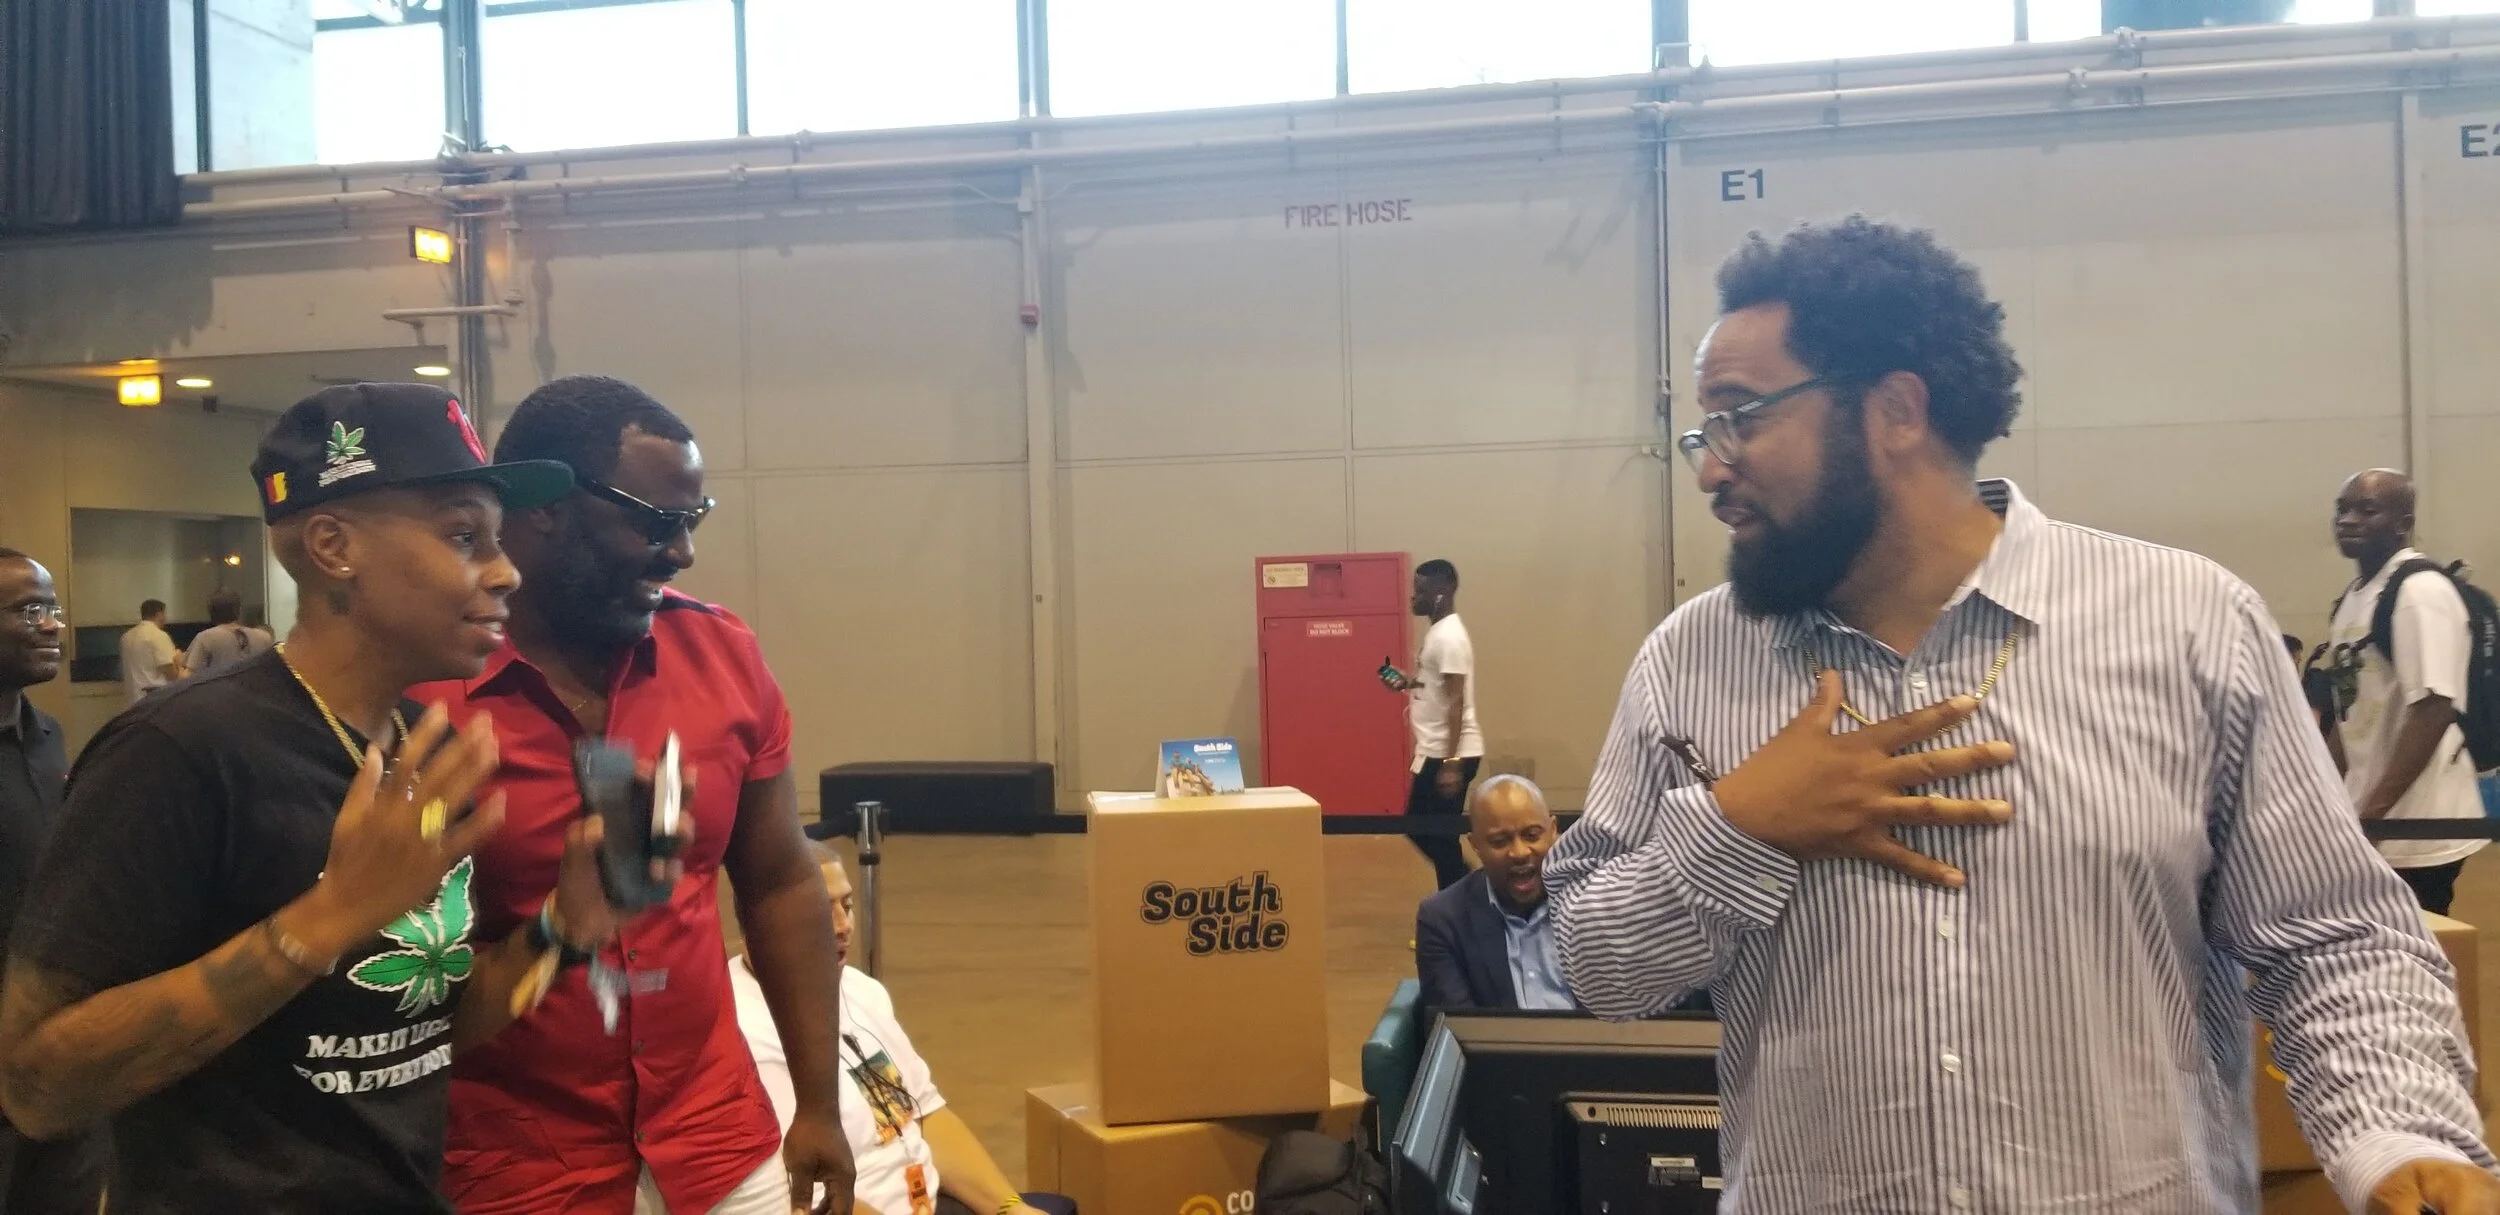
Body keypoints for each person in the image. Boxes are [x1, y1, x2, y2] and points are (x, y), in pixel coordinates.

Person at [1546, 217, 2497, 1214]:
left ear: (1896, 410)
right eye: (1704, 431)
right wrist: (1739, 829)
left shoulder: (2186, 625)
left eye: (1740, 417)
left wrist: (2396, 1136)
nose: (1710, 467)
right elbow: (1598, 968)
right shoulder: (1690, 662)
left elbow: (2333, 939)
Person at [0, 383, 634, 1215]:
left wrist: (563, 927)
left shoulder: (424, 745)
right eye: (462, 535)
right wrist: (326, 919)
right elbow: (36, 1085)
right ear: (334, 546)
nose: (506, 568)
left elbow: (420, 1029)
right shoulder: (180, 750)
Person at [420, 375, 854, 1215]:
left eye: (694, 520)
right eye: (656, 522)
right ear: (545, 508)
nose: (681, 551)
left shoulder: (721, 655)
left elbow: (779, 880)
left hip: (718, 1140)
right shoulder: (424, 695)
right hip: (517, 1164)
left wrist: (818, 1103)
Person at [732, 846, 1071, 1215]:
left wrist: (1010, 1208)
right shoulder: (739, 1033)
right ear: (759, 921)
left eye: (847, 906)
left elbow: (925, 1117)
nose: (843, 926)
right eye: (821, 910)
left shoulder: (862, 989)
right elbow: (811, 1199)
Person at [2324, 468, 2488, 914]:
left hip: (2418, 825)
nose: (2349, 520)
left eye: (2368, 510)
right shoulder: (2356, 596)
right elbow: (2349, 710)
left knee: (2411, 946)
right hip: (2372, 820)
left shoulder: (2420, 591)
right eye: (2343, 509)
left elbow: (2434, 708)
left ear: (2404, 523)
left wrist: (2373, 816)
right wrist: (2328, 797)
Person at [0, 549, 104, 1214]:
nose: (52, 625)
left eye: (53, 608)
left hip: (49, 1047)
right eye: (28, 610)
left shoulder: (47, 736)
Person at [1414, 775, 1571, 1011]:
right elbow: (1460, 1025)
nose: (1519, 852)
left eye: (1531, 835)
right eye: (1500, 841)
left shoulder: (1599, 902)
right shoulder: (1443, 921)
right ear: (1475, 844)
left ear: (1553, 831)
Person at [1394, 558, 1481, 890]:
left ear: (1441, 592)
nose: (1413, 597)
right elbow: (1438, 688)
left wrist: (1452, 763)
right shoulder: (1438, 633)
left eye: (1420, 590)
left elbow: (1456, 703)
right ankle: (1469, 891)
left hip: (1450, 753)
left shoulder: (1449, 638)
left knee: (1441, 839)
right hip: (1433, 751)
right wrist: (1408, 683)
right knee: (1419, 828)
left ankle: (1465, 899)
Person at [185, 587, 274, 678]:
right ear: (239, 611)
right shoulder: (264, 638)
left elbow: (188, 678)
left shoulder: (205, 638)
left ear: (211, 613)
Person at [118, 597, 182, 705]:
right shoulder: (158, 635)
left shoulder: (126, 637)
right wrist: (178, 661)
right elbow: (171, 673)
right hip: (155, 700)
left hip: (132, 699)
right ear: (160, 614)